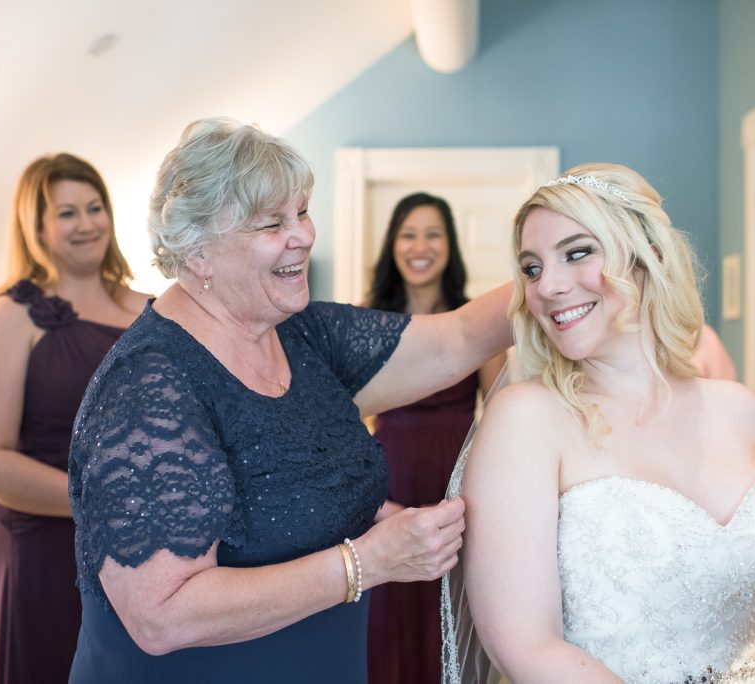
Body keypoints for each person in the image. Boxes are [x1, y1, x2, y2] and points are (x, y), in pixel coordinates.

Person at [66, 117, 513, 683]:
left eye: (301, 211)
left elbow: (460, 338)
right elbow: (162, 616)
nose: (303, 235)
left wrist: (563, 270)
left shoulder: (302, 334)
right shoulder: (148, 386)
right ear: (199, 252)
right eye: (272, 223)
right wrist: (368, 562)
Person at [443, 163, 755, 683]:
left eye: (577, 252)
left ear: (649, 255)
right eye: (532, 267)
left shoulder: (743, 412)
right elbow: (527, 646)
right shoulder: (527, 419)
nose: (548, 287)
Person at [0, 153, 149, 683]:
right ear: (34, 225)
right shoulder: (9, 317)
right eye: (67, 213)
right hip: (39, 541)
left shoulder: (152, 309)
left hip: (138, 543)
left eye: (95, 207)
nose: (87, 224)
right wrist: (104, 506)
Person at [364, 191, 504, 684]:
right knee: (388, 620)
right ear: (392, 245)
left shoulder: (474, 322)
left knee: (450, 620)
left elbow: (503, 413)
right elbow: (338, 422)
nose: (419, 246)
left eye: (432, 234)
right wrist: (372, 502)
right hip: (387, 490)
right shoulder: (365, 319)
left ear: (449, 246)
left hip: (457, 490)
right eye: (408, 233)